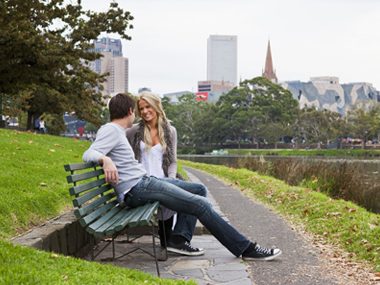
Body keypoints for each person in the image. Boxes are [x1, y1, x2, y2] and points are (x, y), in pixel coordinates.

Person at [83, 93, 282, 261]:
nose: (140, 113)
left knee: (198, 189)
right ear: (130, 112)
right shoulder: (112, 130)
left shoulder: (118, 131)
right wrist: (105, 160)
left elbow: (169, 161)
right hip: (137, 188)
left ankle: (177, 239)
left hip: (143, 183)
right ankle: (247, 249)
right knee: (200, 204)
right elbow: (89, 153)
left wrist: (107, 159)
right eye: (137, 109)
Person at [127, 92, 206, 256]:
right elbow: (118, 147)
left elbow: (172, 161)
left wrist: (171, 181)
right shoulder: (133, 131)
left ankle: (180, 239)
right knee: (180, 196)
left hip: (164, 181)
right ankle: (173, 241)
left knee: (194, 191)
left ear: (157, 106)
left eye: (148, 106)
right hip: (144, 185)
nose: (145, 111)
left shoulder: (171, 131)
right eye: (141, 108)